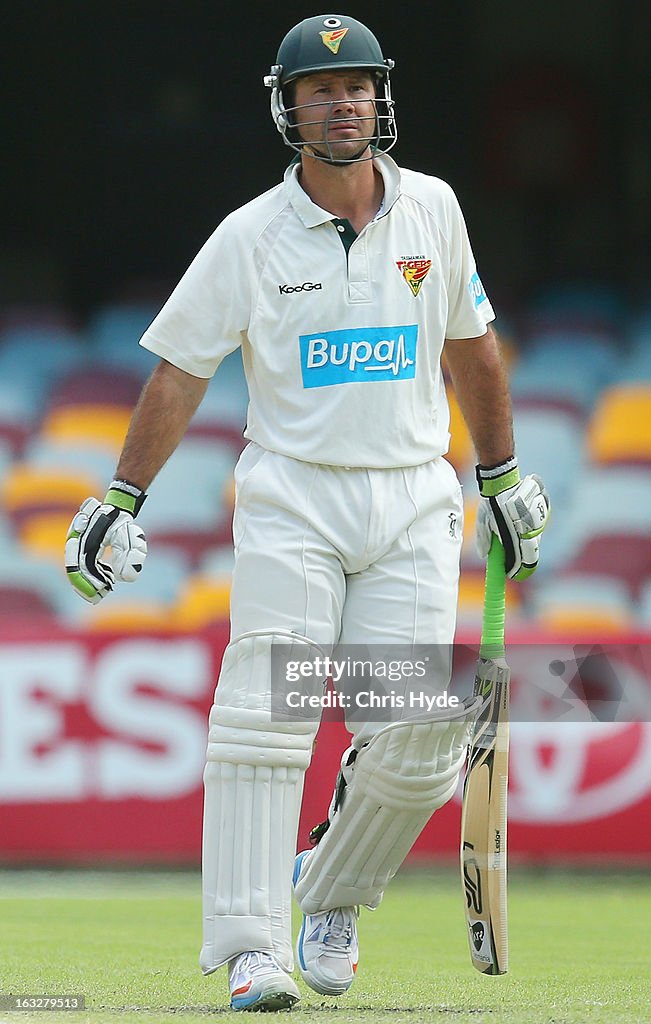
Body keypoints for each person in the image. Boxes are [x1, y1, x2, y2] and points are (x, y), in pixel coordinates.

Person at [65, 13, 550, 1013]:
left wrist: (499, 476)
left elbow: (473, 349)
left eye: (360, 86)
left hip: (414, 498)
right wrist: (118, 497)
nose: (345, 103)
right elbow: (180, 370)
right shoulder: (249, 236)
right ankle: (252, 949)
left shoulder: (435, 211)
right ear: (288, 108)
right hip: (292, 496)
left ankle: (328, 894)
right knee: (265, 715)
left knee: (412, 738)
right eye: (322, 91)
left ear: (382, 98)